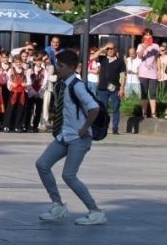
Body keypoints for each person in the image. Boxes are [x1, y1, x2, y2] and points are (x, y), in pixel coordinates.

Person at [35, 49, 107, 226]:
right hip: (64, 135)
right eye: (56, 65)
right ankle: (57, 205)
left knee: (69, 175)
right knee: (42, 164)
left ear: (72, 68)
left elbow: (94, 108)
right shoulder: (61, 85)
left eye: (61, 66)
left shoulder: (77, 85)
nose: (57, 68)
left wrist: (85, 128)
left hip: (78, 137)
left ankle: (95, 211)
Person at [95, 42, 125, 135]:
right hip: (103, 88)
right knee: (103, 108)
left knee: (115, 108)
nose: (110, 51)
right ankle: (103, 126)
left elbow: (123, 75)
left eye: (112, 49)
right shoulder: (103, 59)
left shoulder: (120, 61)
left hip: (115, 88)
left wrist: (122, 88)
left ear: (115, 49)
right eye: (108, 49)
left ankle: (115, 128)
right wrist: (103, 48)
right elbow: (93, 57)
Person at [136, 30, 160, 118]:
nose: (148, 36)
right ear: (143, 37)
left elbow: (157, 59)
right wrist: (144, 47)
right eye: (146, 35)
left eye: (150, 35)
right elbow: (139, 56)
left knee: (153, 92)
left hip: (153, 72)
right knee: (144, 93)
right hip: (143, 72)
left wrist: (159, 71)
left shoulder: (156, 46)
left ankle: (153, 113)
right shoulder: (140, 45)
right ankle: (144, 112)